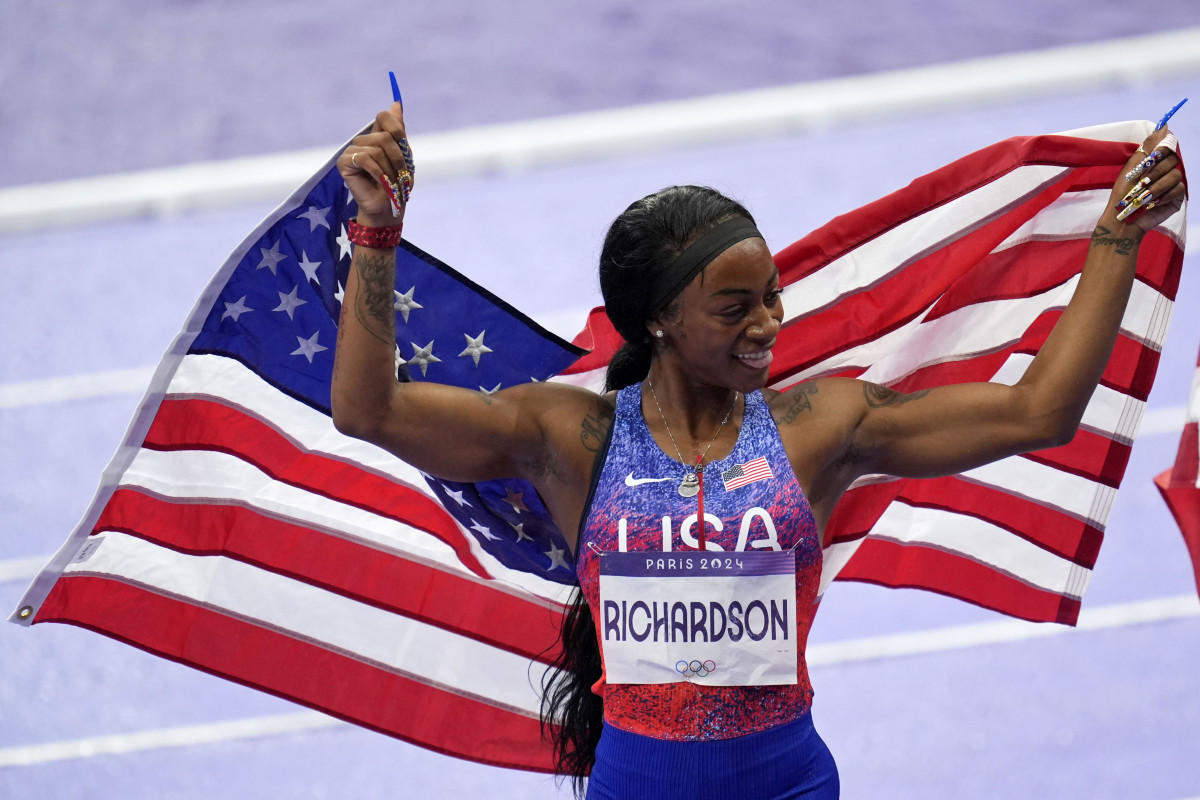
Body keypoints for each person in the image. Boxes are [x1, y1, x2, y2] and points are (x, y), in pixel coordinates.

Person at [330, 102, 1185, 799]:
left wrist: (1118, 239)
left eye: (772, 298)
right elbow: (367, 410)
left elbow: (1041, 412)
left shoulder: (821, 426)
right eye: (737, 308)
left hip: (788, 788)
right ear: (659, 320)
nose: (770, 325)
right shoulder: (570, 437)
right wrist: (378, 232)